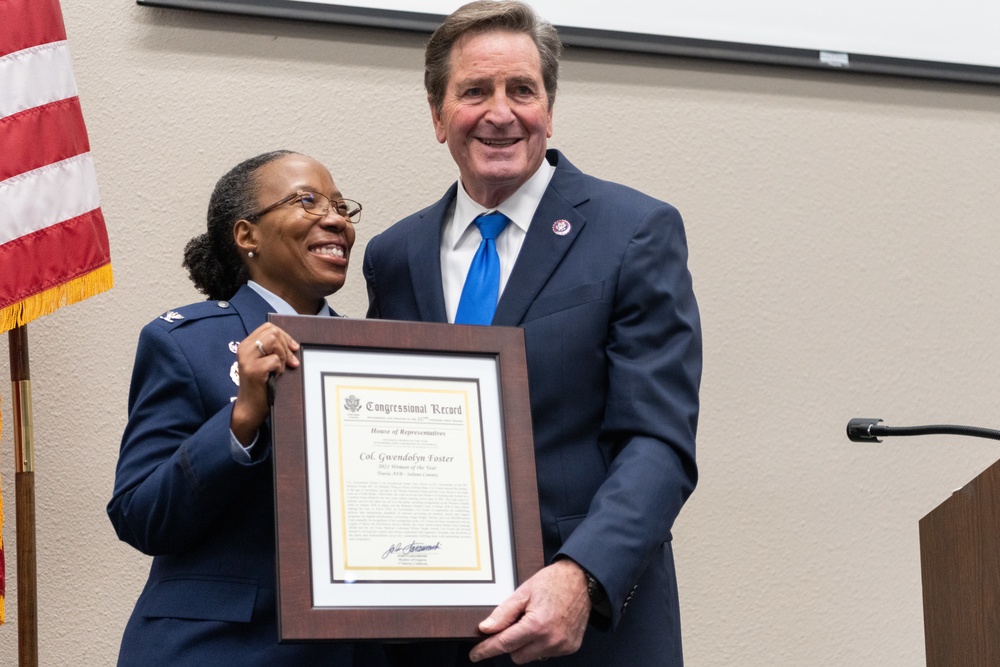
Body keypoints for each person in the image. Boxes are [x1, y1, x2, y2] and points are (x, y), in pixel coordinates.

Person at [362, 2, 702, 665]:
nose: (501, 112)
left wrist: (582, 575)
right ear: (438, 116)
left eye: (523, 89)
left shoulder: (634, 231)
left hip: (591, 629)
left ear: (549, 108)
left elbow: (657, 441)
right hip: (435, 634)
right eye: (474, 91)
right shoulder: (394, 254)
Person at [107, 150, 365, 665]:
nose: (335, 219)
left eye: (340, 206)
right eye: (307, 202)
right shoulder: (183, 342)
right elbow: (139, 516)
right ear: (247, 235)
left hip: (349, 648)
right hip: (219, 647)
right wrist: (241, 420)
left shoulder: (377, 353)